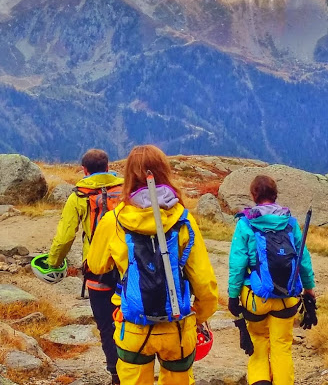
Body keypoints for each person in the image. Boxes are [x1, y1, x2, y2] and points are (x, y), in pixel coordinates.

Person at [87, 145, 218, 385]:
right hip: (178, 326)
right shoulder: (183, 220)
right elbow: (205, 283)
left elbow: (97, 265)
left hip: (133, 325)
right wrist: (197, 317)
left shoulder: (113, 220)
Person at [38, 149, 124, 384]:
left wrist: (53, 263)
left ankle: (116, 375)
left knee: (106, 325)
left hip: (97, 269)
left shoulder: (79, 195)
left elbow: (66, 236)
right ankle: (137, 370)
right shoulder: (126, 190)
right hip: (129, 267)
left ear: (84, 171)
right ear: (108, 167)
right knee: (131, 318)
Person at [227, 174, 317, 385]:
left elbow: (237, 265)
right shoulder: (290, 223)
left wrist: (233, 297)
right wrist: (309, 290)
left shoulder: (245, 224)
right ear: (276, 195)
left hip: (256, 297)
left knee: (258, 344)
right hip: (287, 297)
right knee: (282, 347)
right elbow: (302, 258)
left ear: (254, 195)